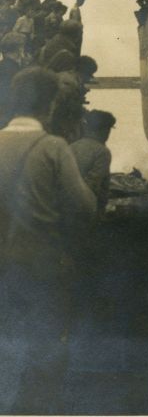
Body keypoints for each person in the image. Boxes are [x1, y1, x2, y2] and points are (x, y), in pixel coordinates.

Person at [0, 66, 96, 413]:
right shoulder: (53, 147)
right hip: (41, 268)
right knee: (45, 351)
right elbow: (84, 208)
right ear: (50, 104)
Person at [71, 110, 116, 214]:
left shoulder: (72, 147)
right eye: (108, 129)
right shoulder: (102, 151)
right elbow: (93, 184)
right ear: (104, 130)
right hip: (87, 210)